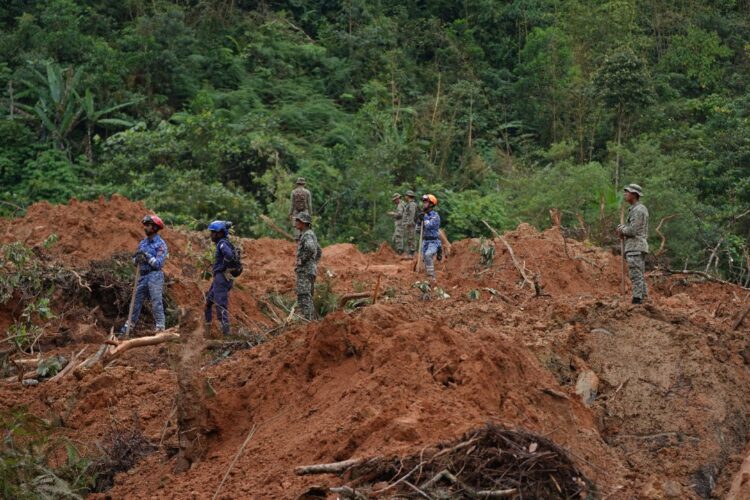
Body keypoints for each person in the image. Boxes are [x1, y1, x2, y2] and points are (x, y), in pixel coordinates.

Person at [119, 214, 168, 336]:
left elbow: (158, 264)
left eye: (148, 225)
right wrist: (137, 259)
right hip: (142, 275)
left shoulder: (161, 245)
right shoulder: (142, 243)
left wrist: (146, 256)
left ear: (155, 228)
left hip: (155, 275)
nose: (145, 227)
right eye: (145, 225)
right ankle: (128, 327)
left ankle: (160, 328)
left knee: (156, 301)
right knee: (135, 301)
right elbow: (134, 261)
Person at [205, 220, 239, 337]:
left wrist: (224, 267)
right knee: (208, 302)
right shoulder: (224, 243)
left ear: (219, 233)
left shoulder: (222, 244)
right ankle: (207, 330)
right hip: (220, 277)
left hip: (221, 278)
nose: (211, 235)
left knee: (220, 305)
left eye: (213, 232)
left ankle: (226, 334)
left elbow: (228, 255)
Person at [617, 184, 649, 304]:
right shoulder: (636, 209)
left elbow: (633, 230)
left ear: (634, 195)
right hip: (636, 246)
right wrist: (624, 228)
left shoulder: (638, 210)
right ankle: (643, 299)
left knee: (636, 275)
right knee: (639, 274)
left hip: (636, 246)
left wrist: (622, 229)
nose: (625, 194)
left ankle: (637, 300)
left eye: (628, 192)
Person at [294, 211, 322, 320]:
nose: (296, 222)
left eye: (298, 220)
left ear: (304, 223)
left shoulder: (307, 235)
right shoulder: (310, 234)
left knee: (304, 296)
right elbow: (319, 251)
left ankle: (307, 322)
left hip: (305, 271)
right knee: (308, 297)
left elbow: (311, 249)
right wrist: (313, 263)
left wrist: (302, 260)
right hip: (310, 270)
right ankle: (311, 322)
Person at [419, 194, 441, 281]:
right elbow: (418, 229)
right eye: (423, 202)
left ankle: (432, 278)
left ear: (431, 204)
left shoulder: (435, 216)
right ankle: (427, 281)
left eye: (426, 202)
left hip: (433, 241)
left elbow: (428, 225)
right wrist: (418, 220)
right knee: (425, 260)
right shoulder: (423, 215)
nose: (424, 204)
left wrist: (423, 218)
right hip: (425, 241)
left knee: (428, 255)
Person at [402, 191, 417, 258]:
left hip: (410, 224)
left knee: (411, 238)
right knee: (408, 238)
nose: (405, 197)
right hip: (408, 224)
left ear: (408, 196)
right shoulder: (409, 204)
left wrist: (409, 223)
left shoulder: (412, 204)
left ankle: (412, 253)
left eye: (406, 196)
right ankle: (409, 253)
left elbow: (412, 214)